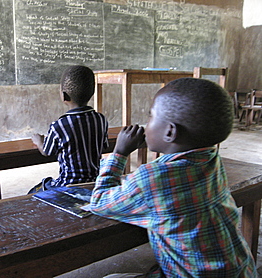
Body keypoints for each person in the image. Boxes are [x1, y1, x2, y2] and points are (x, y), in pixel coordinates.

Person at [90, 78, 257, 277]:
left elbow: (99, 201)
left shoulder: (150, 179)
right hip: (242, 271)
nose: (146, 124)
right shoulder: (211, 159)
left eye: (150, 117)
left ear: (170, 132)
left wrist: (119, 153)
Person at [28, 65, 109, 194]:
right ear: (91, 93)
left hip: (68, 186)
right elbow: (104, 145)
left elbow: (46, 151)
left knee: (32, 193)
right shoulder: (100, 119)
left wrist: (39, 141)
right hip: (94, 183)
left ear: (64, 96)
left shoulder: (59, 125)